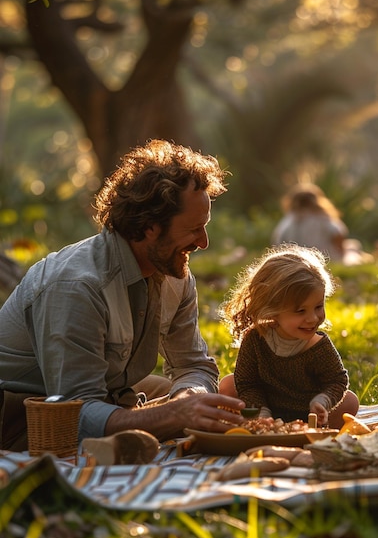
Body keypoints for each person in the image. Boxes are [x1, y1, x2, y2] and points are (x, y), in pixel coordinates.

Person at [0, 139, 245, 450]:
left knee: (177, 395)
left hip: (108, 392)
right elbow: (74, 413)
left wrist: (189, 397)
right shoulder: (78, 287)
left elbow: (194, 365)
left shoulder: (173, 273)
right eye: (193, 229)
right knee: (161, 413)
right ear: (150, 227)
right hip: (25, 417)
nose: (204, 242)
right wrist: (171, 415)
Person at [218, 244, 359, 429]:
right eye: (301, 311)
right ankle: (258, 425)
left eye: (318, 306)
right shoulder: (255, 338)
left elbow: (337, 380)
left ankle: (312, 429)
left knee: (350, 401)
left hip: (308, 412)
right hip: (265, 406)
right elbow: (247, 383)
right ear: (273, 310)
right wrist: (262, 412)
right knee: (228, 385)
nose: (313, 318)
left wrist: (322, 402)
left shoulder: (319, 346)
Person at [271, 183, 348, 263]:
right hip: (327, 259)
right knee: (353, 246)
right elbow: (338, 235)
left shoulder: (288, 220)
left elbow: (276, 243)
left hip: (294, 261)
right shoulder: (323, 218)